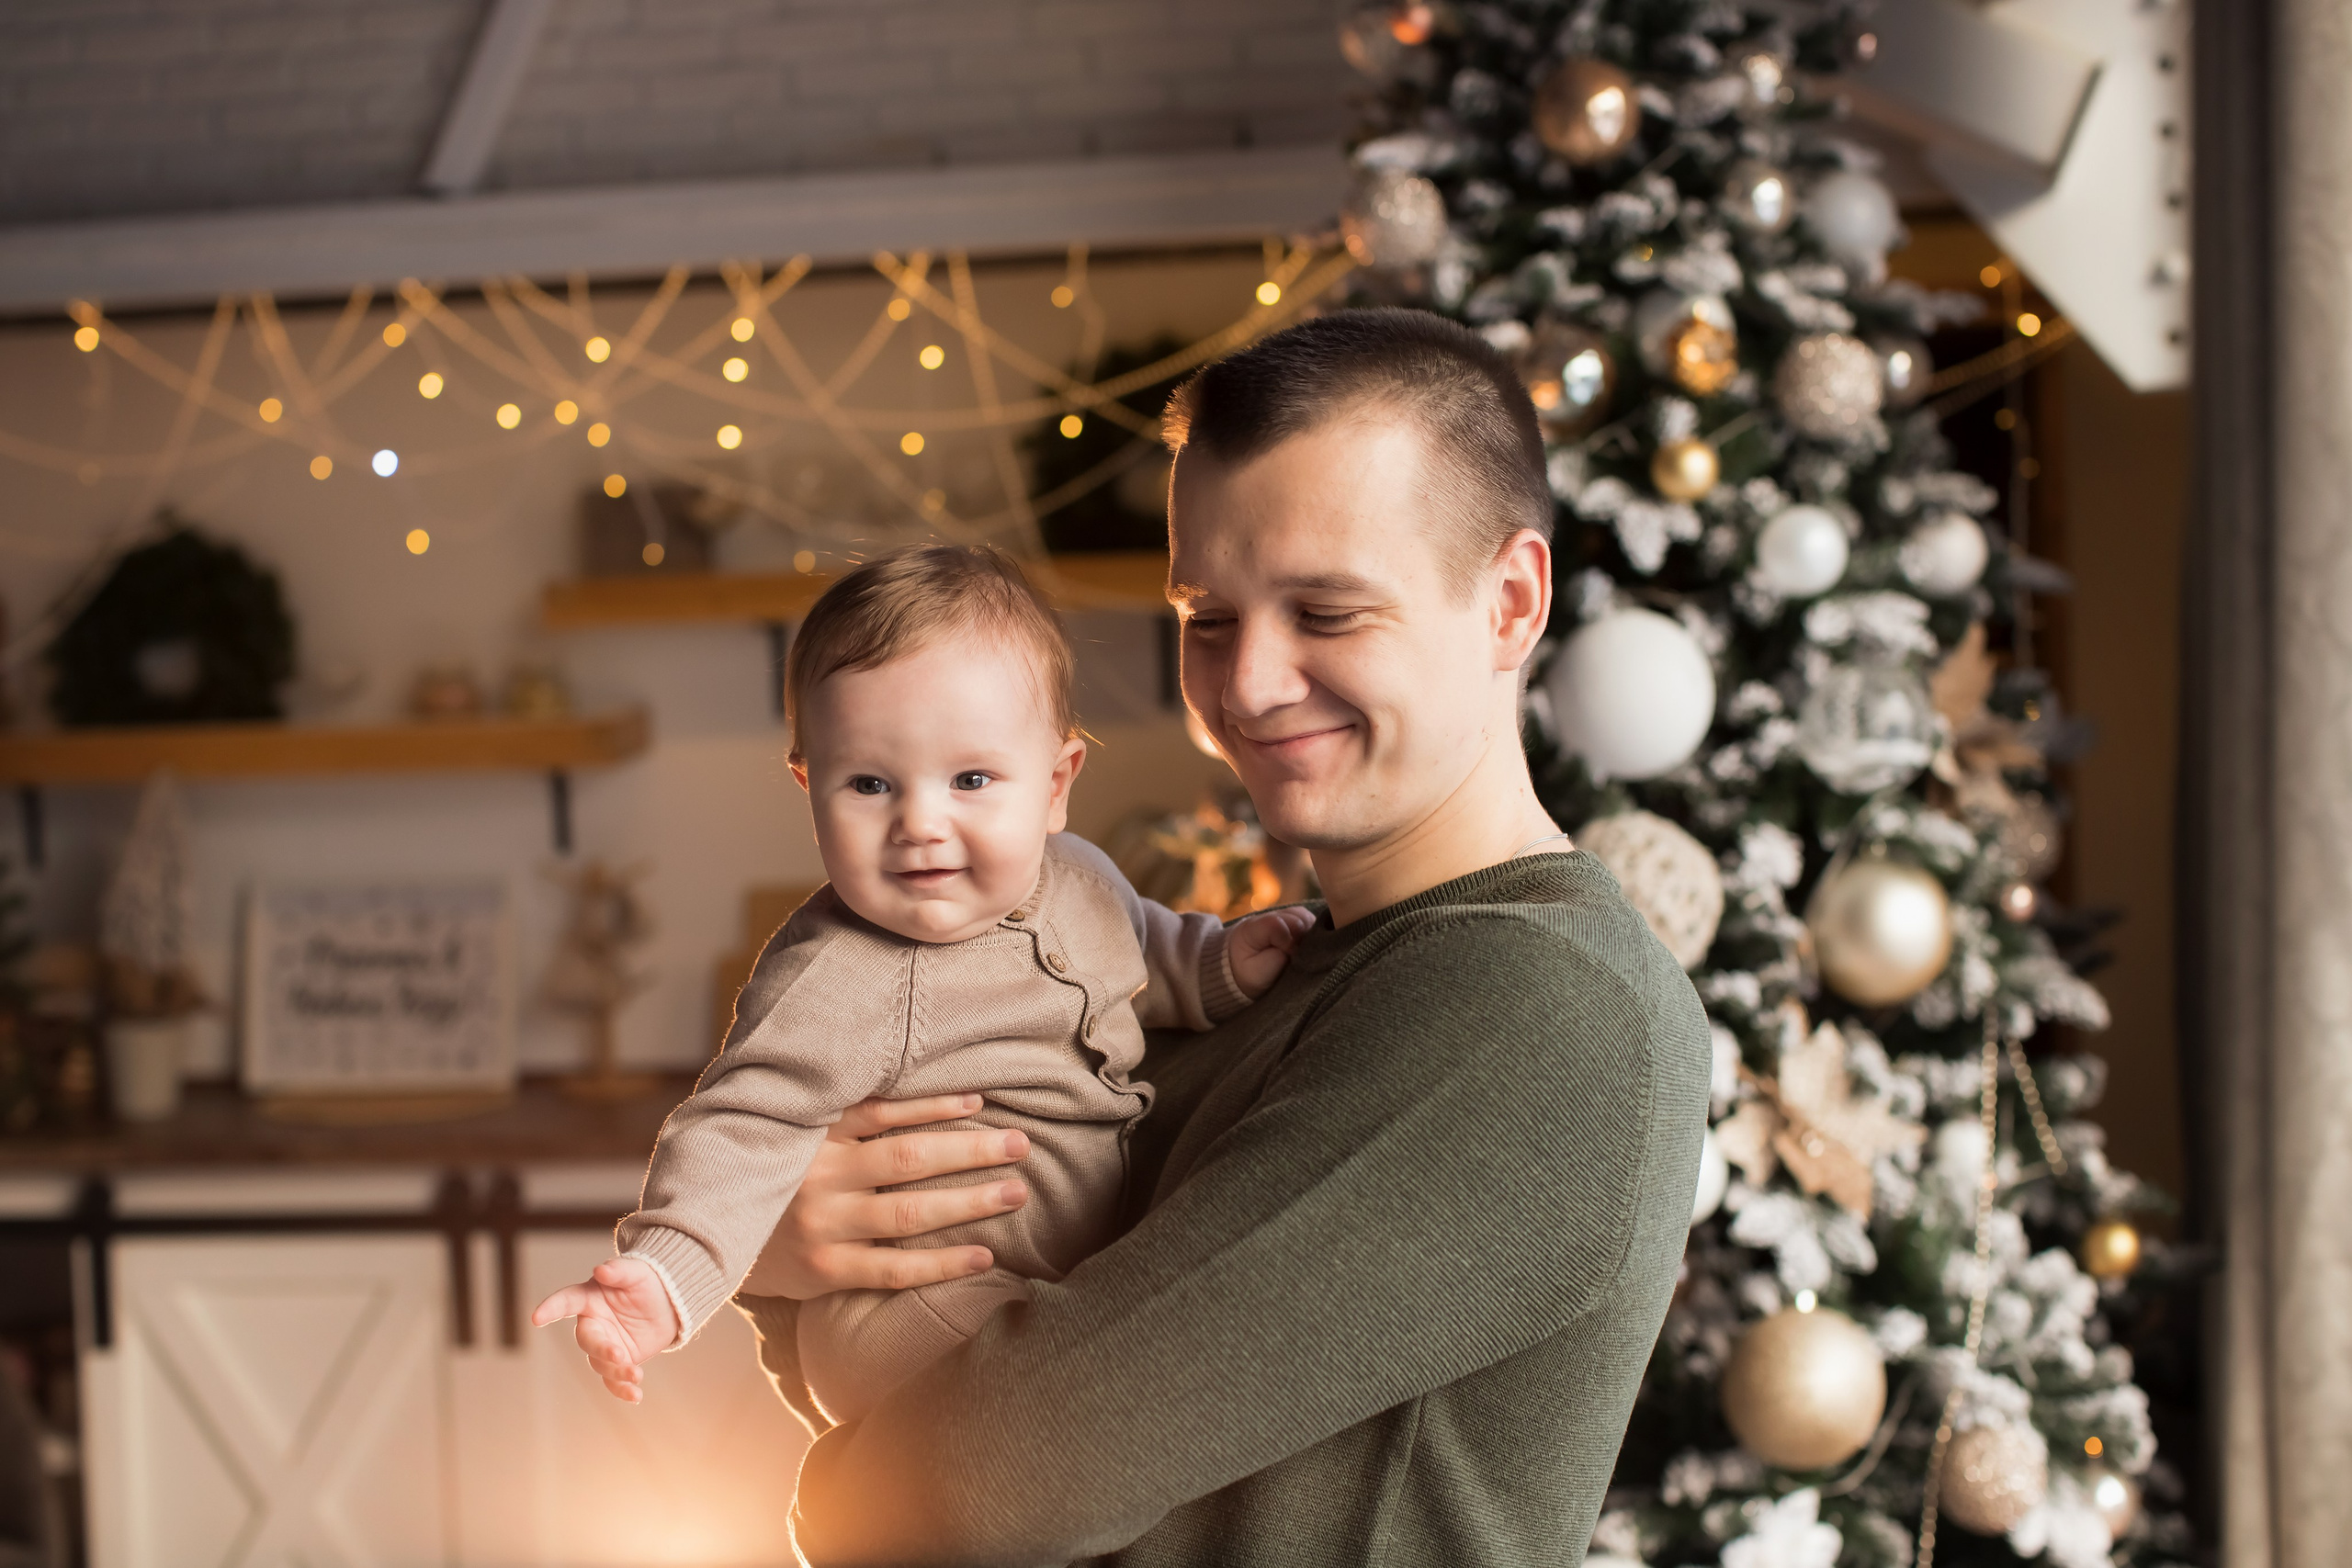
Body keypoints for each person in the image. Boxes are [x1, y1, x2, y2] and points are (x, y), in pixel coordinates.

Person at [766, 308, 1712, 1566]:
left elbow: (992, 1480)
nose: (1250, 682)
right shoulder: (1275, 970)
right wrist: (789, 1243)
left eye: (1327, 612)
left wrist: (832, 1492)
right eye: (1209, 616)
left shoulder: (1539, 999)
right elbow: (926, 1341)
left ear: (1511, 601)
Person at [529, 545, 1314, 1422]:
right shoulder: (839, 970)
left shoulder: (1086, 879)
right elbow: (741, 1126)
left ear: (1055, 787)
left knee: (1100, 1383)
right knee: (1061, 1408)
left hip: (1058, 1277)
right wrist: (663, 1276)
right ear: (809, 788)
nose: (920, 823)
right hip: (911, 1310)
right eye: (869, 783)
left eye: (971, 779)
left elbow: (1147, 953)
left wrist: (1217, 964)